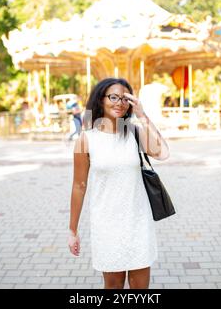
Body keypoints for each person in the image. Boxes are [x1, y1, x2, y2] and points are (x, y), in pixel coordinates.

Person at [68, 78, 170, 289]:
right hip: (106, 224)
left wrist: (142, 115)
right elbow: (79, 186)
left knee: (140, 288)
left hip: (138, 222)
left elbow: (163, 152)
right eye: (113, 97)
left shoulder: (134, 133)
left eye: (125, 99)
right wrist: (72, 231)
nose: (119, 103)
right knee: (113, 286)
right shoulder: (86, 139)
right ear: (100, 100)